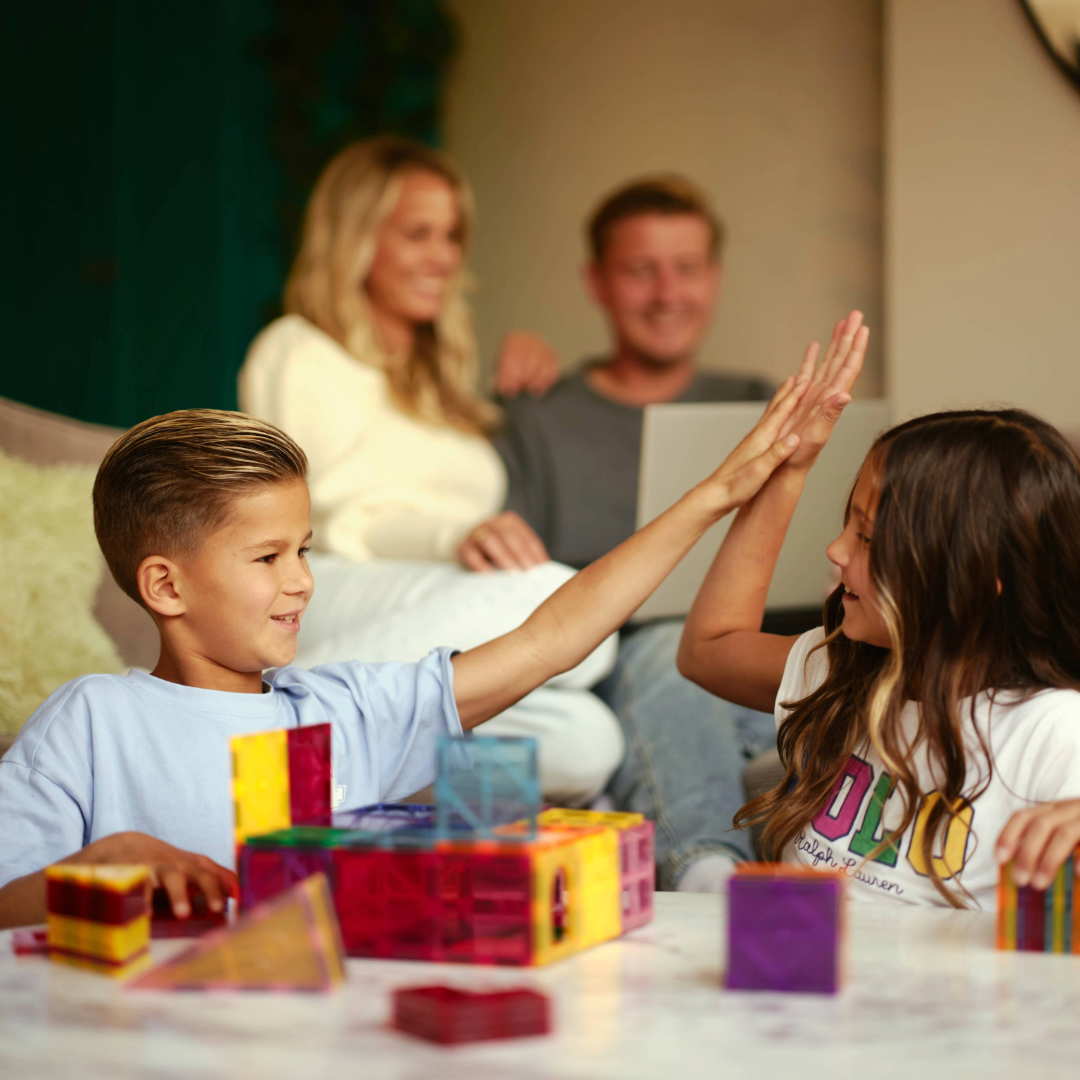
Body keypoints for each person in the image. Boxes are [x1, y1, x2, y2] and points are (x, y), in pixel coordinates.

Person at [0, 364, 823, 927]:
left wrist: (717, 496)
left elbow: (552, 638)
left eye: (304, 551)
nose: (302, 582)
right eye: (267, 557)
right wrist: (99, 867)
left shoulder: (346, 712)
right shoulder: (92, 720)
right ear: (165, 587)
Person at [239, 136, 620, 806]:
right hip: (324, 589)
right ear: (356, 240)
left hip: (428, 603)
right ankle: (251, 726)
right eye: (418, 234)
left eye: (451, 236)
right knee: (565, 601)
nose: (443, 256)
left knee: (585, 742)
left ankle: (317, 776)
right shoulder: (299, 349)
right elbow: (334, 512)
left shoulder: (441, 385)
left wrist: (527, 392)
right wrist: (452, 537)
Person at [679, 359, 1080, 906]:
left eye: (867, 539)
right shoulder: (839, 668)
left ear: (972, 581)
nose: (835, 550)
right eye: (848, 524)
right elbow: (707, 650)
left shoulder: (1053, 731)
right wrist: (789, 470)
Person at [487, 175, 782, 891]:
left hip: (763, 663)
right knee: (671, 651)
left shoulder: (761, 402)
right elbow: (513, 574)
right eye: (640, 270)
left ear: (714, 277)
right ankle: (707, 874)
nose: (667, 293)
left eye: (687, 268)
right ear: (597, 282)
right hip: (637, 663)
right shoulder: (536, 416)